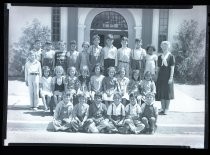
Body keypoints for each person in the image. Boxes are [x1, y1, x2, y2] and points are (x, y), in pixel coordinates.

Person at [156, 41, 175, 115]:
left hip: (167, 76)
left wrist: (171, 77)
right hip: (161, 76)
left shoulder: (171, 56)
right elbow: (158, 68)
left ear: (168, 47)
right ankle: (162, 108)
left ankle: (167, 108)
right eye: (163, 46)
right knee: (161, 92)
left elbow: (172, 68)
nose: (164, 47)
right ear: (161, 46)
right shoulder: (159, 57)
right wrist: (156, 76)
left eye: (166, 46)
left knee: (167, 92)